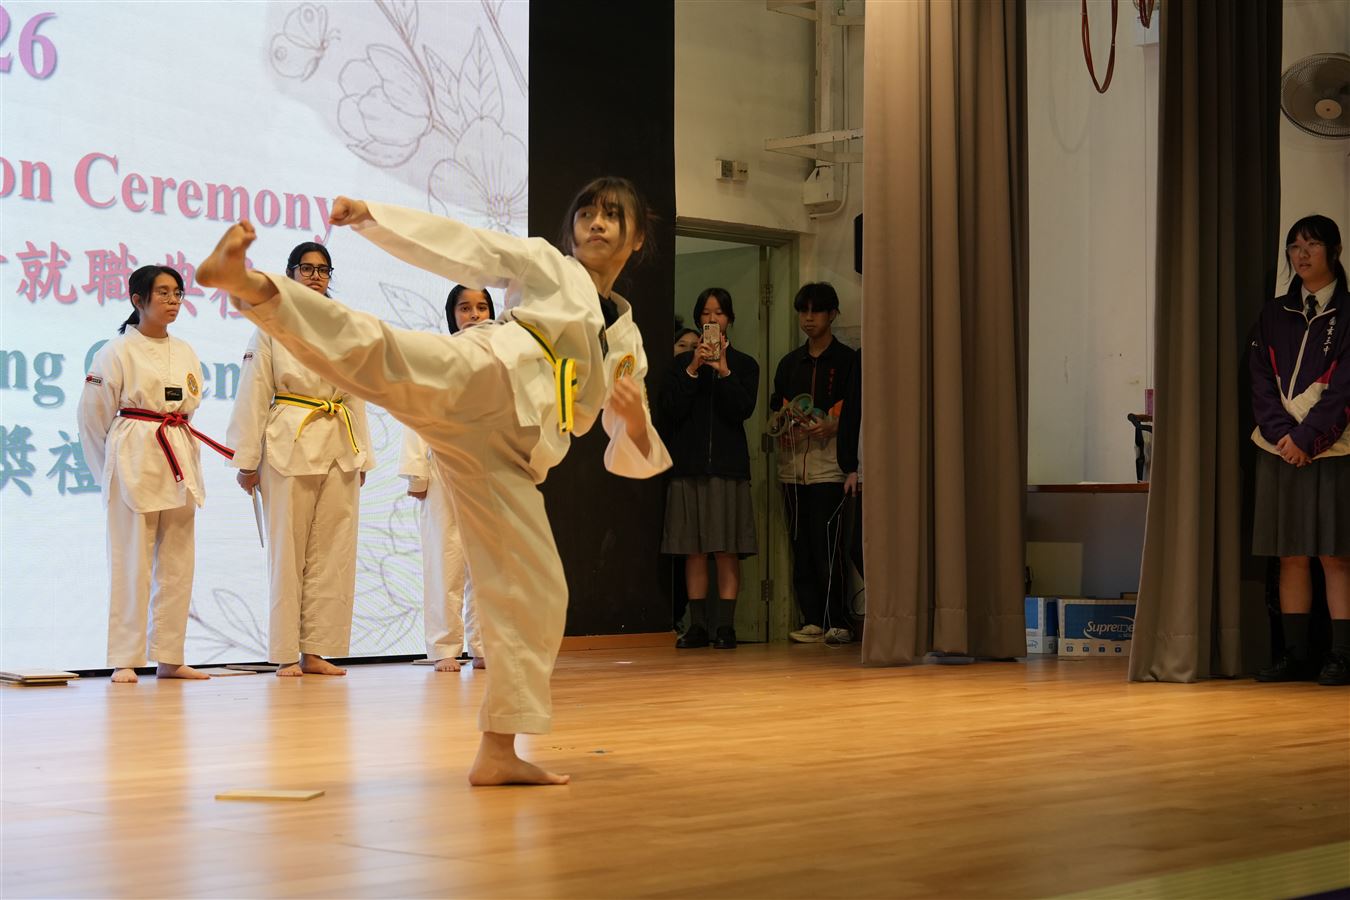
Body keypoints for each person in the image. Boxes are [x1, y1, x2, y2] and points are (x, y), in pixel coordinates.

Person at [197, 175, 671, 785]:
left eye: (612, 215)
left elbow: (629, 434)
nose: (596, 224)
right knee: (385, 355)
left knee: (538, 590)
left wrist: (633, 421)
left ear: (637, 237)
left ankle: (498, 750)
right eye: (586, 213)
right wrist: (372, 217)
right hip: (488, 376)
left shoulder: (625, 338)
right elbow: (464, 246)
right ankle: (251, 285)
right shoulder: (548, 265)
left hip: (512, 456)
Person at [77, 265, 234, 683]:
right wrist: (109, 473)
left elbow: (189, 405)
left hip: (178, 452)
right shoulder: (115, 351)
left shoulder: (185, 350)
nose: (172, 300)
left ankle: (170, 656)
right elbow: (92, 419)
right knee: (131, 561)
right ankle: (125, 658)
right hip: (133, 457)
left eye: (178, 293)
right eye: (163, 293)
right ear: (137, 300)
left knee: (178, 564)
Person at [226, 242, 374, 677]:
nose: (315, 276)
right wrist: (247, 459)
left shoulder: (344, 327)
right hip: (288, 440)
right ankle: (286, 652)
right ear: (290, 274)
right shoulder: (270, 325)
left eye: (322, 270)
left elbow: (356, 391)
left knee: (334, 553)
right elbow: (254, 392)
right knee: (287, 553)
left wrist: (362, 455)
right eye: (306, 268)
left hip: (339, 442)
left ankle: (316, 650)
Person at [1250, 214, 1350, 686]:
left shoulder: (1347, 312)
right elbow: (1260, 381)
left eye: (1312, 245)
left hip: (1335, 449)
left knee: (1335, 553)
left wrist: (1308, 438)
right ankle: (1295, 654)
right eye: (1294, 246)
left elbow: (1344, 388)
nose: (1302, 254)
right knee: (1290, 553)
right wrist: (1282, 437)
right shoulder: (1274, 313)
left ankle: (1342, 655)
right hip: (1278, 448)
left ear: (1335, 251)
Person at [399, 285, 496, 672]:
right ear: (452, 314)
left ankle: (486, 645)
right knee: (446, 560)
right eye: (465, 308)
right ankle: (444, 648)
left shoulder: (504, 361)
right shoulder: (437, 358)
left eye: (481, 307)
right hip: (444, 468)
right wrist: (416, 472)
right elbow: (417, 412)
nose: (474, 315)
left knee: (488, 564)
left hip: (490, 470)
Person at [659, 288, 759, 649]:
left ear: (729, 319)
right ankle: (698, 625)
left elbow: (742, 410)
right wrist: (693, 368)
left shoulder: (745, 365)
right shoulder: (679, 366)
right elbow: (670, 410)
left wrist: (725, 371)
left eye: (718, 313)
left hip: (729, 468)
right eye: (705, 313)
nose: (712, 319)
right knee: (694, 549)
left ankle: (726, 627)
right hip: (689, 466)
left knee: (727, 549)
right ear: (698, 318)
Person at [770, 282, 861, 644]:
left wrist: (834, 425)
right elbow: (777, 408)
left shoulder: (847, 360)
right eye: (803, 311)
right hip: (792, 469)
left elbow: (856, 411)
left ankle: (838, 619)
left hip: (830, 467)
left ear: (832, 314)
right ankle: (812, 618)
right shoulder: (789, 363)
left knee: (828, 546)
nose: (808, 318)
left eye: (816, 311)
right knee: (801, 545)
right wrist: (783, 426)